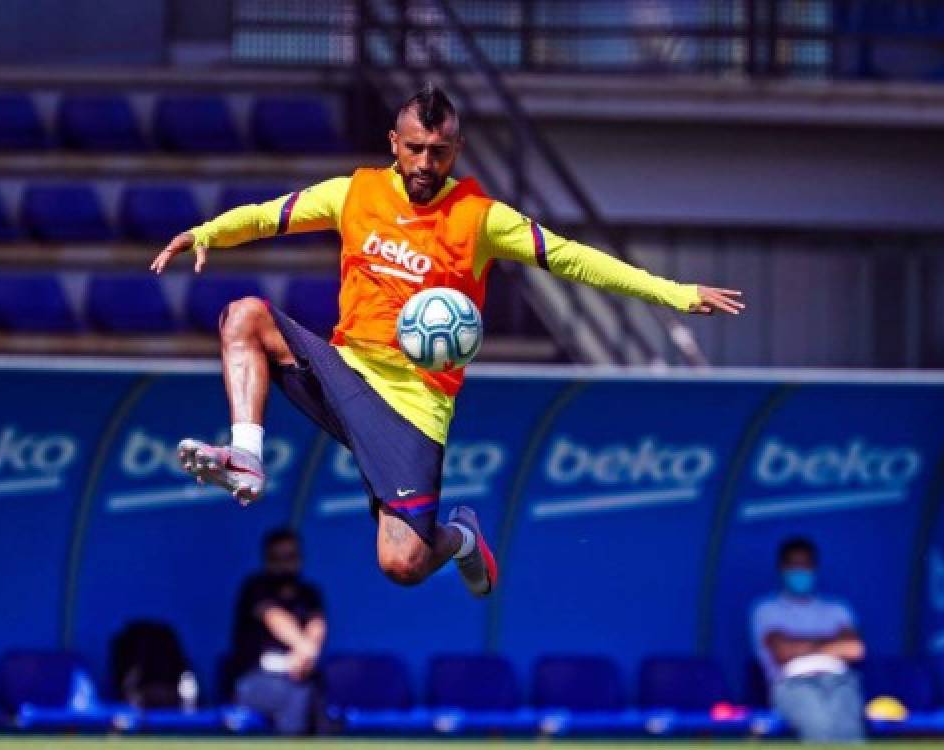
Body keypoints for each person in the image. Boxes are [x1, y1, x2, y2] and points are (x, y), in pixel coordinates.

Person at [150, 84, 745, 597]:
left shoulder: (482, 218)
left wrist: (675, 293)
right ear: (393, 142)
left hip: (414, 404)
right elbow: (266, 215)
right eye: (415, 149)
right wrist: (207, 232)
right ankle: (248, 459)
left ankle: (460, 537)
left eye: (439, 151)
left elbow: (573, 259)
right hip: (346, 368)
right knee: (244, 315)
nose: (425, 163)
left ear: (455, 149)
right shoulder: (352, 194)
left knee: (401, 565)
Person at [752, 536, 866, 742]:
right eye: (794, 565)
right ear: (782, 568)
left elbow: (854, 649)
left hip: (841, 682)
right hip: (793, 685)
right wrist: (831, 642)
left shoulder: (837, 609)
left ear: (815, 567)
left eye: (806, 565)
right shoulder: (766, 610)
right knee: (820, 729)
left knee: (849, 735)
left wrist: (799, 644)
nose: (801, 571)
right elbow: (782, 652)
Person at [230, 529, 326, 736]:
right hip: (255, 679)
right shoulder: (255, 587)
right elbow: (274, 617)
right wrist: (303, 648)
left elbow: (316, 626)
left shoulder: (309, 593)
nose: (285, 564)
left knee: (311, 690)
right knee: (297, 693)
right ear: (267, 559)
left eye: (291, 557)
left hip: (301, 675)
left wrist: (305, 657)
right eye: (278, 558)